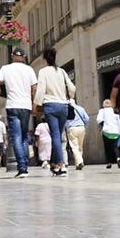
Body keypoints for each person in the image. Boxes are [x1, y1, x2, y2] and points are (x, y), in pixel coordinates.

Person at [0, 48, 39, 177]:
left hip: (12, 105)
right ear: (24, 57)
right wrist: (33, 102)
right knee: (24, 136)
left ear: (12, 56)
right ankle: (25, 166)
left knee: (16, 137)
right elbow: (34, 87)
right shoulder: (29, 69)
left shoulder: (5, 68)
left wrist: (2, 93)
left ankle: (22, 168)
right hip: (25, 106)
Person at [35, 48, 75, 176]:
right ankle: (56, 165)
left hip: (50, 106)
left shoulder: (43, 71)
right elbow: (72, 87)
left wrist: (36, 104)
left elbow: (41, 89)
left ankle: (62, 165)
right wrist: (70, 97)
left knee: (56, 136)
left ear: (45, 59)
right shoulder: (62, 71)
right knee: (58, 135)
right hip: (63, 106)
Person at [97, 98, 120, 168]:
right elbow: (119, 122)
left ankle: (109, 162)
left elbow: (99, 120)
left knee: (107, 147)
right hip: (115, 132)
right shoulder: (115, 111)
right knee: (115, 147)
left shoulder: (102, 111)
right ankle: (118, 158)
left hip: (106, 131)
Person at [65, 99, 91, 169]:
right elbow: (87, 118)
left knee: (74, 147)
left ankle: (80, 161)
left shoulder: (67, 110)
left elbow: (65, 121)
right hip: (81, 128)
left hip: (72, 128)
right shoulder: (80, 108)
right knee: (80, 146)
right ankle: (77, 164)